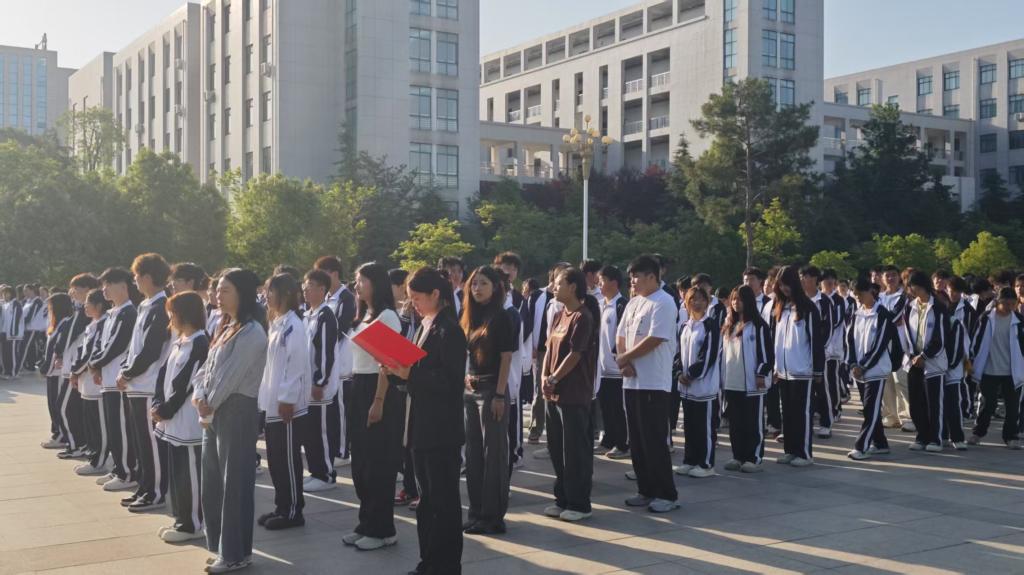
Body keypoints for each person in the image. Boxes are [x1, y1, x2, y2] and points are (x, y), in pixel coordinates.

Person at [382, 268, 467, 575]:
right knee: (427, 501)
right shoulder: (425, 325)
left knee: (443, 502)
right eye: (410, 299)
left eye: (417, 298)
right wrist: (395, 370)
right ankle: (428, 561)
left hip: (441, 429)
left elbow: (450, 381)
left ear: (435, 295)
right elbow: (415, 373)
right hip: (421, 424)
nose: (413, 304)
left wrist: (410, 373)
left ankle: (446, 565)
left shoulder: (450, 330)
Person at [194, 268, 267, 574]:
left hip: (236, 410)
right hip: (215, 409)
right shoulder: (226, 326)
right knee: (212, 481)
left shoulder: (252, 332)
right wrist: (199, 394)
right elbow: (206, 369)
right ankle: (222, 547)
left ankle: (236, 553)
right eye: (217, 290)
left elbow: (230, 376)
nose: (217, 296)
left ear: (242, 294)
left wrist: (207, 403)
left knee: (234, 484)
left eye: (225, 290)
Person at [344, 262, 404, 551]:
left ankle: (383, 530)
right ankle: (366, 522)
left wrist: (378, 400)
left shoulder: (387, 316)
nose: (357, 286)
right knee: (361, 463)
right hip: (359, 385)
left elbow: (389, 364)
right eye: (356, 280)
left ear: (376, 284)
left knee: (378, 463)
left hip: (378, 388)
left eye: (362, 280)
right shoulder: (363, 316)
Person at [616, 255, 679, 513]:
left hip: (653, 382)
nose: (632, 281)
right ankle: (645, 489)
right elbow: (620, 335)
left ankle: (666, 494)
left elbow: (655, 338)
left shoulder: (664, 302)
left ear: (652, 277)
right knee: (637, 440)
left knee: (654, 440)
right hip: (631, 382)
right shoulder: (633, 302)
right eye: (631, 277)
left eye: (637, 276)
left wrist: (626, 357)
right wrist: (624, 361)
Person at [541, 267, 598, 522]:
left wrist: (554, 378)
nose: (554, 287)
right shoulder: (559, 315)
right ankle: (562, 498)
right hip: (553, 393)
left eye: (559, 283)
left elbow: (575, 354)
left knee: (574, 451)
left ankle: (579, 503)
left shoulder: (583, 317)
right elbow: (548, 349)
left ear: (573, 287)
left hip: (573, 394)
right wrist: (544, 377)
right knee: (557, 448)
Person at [152, 291, 210, 542]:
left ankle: (192, 524)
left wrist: (166, 409)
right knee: (177, 473)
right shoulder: (180, 341)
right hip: (172, 419)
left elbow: (186, 382)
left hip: (186, 419)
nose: (170, 319)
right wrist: (158, 403)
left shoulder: (200, 342)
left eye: (173, 313)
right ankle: (181, 518)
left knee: (190, 474)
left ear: (185, 314)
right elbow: (163, 375)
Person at [462, 266, 515, 535]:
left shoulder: (502, 317)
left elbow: (506, 357)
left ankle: (493, 517)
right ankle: (476, 512)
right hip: (471, 391)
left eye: (483, 283)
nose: (477, 288)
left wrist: (499, 395)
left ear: (495, 287)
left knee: (493, 454)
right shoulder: (471, 316)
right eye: (474, 284)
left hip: (492, 390)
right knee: (473, 454)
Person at [117, 254, 173, 512]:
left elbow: (151, 350)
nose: (135, 281)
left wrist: (127, 373)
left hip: (149, 385)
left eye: (137, 276)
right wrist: (125, 369)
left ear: (148, 277)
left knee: (151, 443)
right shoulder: (145, 305)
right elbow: (134, 347)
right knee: (141, 441)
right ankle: (145, 486)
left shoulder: (162, 307)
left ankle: (156, 492)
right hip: (136, 385)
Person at [258, 274, 311, 530]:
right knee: (276, 459)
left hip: (287, 407)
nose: (267, 296)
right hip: (273, 404)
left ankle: (293, 511)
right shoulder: (277, 323)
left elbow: (295, 364)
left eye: (272, 291)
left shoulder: (293, 325)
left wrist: (287, 398)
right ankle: (282, 506)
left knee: (288, 460)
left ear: (286, 294)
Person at [89, 268, 139, 493]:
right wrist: (97, 366)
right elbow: (103, 344)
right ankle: (119, 467)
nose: (104, 289)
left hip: (119, 380)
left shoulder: (128, 313)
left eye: (108, 284)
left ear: (123, 286)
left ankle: (127, 473)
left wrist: (95, 363)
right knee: (113, 427)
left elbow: (117, 345)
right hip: (108, 379)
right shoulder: (113, 312)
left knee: (121, 429)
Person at [771, 265, 825, 467]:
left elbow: (816, 341)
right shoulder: (781, 308)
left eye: (787, 284)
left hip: (803, 371)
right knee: (788, 413)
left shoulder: (808, 308)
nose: (784, 289)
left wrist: (817, 369)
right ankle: (790, 450)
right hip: (783, 372)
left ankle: (804, 453)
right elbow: (776, 341)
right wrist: (775, 366)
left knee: (802, 414)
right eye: (781, 285)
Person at [719, 286, 773, 473]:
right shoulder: (730, 325)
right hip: (732, 382)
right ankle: (738, 456)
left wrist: (761, 373)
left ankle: (754, 458)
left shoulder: (758, 325)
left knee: (753, 422)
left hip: (751, 383)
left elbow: (766, 354)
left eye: (740, 299)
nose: (736, 303)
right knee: (736, 423)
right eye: (733, 299)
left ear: (748, 301)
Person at [898, 271, 951, 452]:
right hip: (914, 361)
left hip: (933, 362)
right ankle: (922, 436)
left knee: (934, 404)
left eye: (913, 286)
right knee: (916, 403)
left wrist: (924, 356)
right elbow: (907, 334)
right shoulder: (909, 307)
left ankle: (936, 438)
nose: (911, 290)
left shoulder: (938, 307)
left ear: (922, 286)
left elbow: (940, 338)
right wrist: (913, 355)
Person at [845, 279, 897, 460]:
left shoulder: (883, 314)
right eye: (855, 295)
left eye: (860, 294)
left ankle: (861, 446)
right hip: (859, 371)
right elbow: (850, 340)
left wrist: (864, 365)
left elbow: (880, 345)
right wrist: (853, 363)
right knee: (869, 408)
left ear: (870, 292)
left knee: (871, 410)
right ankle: (880, 443)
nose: (858, 298)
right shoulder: (857, 313)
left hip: (876, 370)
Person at [674, 287, 722, 479]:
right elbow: (677, 353)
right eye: (692, 299)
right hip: (686, 388)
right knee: (690, 426)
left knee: (704, 428)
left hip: (704, 387)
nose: (696, 302)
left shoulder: (710, 325)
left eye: (701, 299)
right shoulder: (685, 326)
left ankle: (706, 464)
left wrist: (692, 374)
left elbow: (708, 355)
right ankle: (690, 460)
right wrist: (679, 372)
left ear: (707, 302)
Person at [968, 288, 1024, 449]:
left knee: (1012, 406)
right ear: (998, 302)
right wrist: (971, 359)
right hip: (989, 369)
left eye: (1012, 304)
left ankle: (1011, 436)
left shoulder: (1019, 321)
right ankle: (978, 433)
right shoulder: (986, 318)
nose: (1009, 307)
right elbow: (975, 340)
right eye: (1005, 303)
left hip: (1012, 370)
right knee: (987, 403)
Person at [299, 269, 339, 493]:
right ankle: (315, 471)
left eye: (310, 286)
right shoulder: (308, 315)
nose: (305, 290)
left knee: (321, 432)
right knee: (310, 433)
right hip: (308, 386)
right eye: (304, 286)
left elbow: (325, 352)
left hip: (319, 387)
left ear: (322, 289)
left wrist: (319, 381)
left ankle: (326, 475)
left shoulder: (325, 316)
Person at [314, 256, 356, 467]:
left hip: (341, 361)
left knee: (340, 408)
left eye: (323, 274)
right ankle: (333, 447)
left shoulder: (346, 298)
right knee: (330, 409)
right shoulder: (327, 298)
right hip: (328, 360)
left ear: (335, 274)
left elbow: (340, 328)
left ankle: (342, 451)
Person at [71, 288, 112, 476]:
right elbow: (82, 351)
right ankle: (94, 457)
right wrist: (76, 370)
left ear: (99, 305)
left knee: (99, 426)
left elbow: (91, 354)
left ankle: (100, 461)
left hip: (96, 383)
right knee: (91, 424)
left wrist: (75, 371)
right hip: (87, 383)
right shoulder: (93, 324)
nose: (85, 306)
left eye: (88, 303)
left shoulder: (103, 324)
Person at [799, 266, 837, 439]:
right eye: (800, 276)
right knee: (804, 391)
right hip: (801, 353)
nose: (801, 279)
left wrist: (819, 350)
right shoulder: (798, 299)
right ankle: (805, 423)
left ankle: (826, 423)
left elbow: (829, 328)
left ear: (814, 279)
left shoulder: (824, 301)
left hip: (820, 353)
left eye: (805, 276)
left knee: (822, 389)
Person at [596, 265, 629, 459]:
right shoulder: (601, 304)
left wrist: (621, 359)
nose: (599, 284)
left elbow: (623, 335)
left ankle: (623, 444)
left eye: (602, 281)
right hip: (602, 368)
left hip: (617, 369)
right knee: (606, 407)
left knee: (618, 408)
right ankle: (608, 440)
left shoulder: (621, 305)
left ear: (614, 283)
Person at [39, 294, 75, 452]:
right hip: (52, 372)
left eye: (51, 306)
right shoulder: (58, 323)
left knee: (57, 404)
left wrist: (45, 367)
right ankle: (57, 433)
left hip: (59, 371)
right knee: (52, 404)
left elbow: (57, 348)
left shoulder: (66, 323)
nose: (49, 310)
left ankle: (61, 435)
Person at [880, 265, 912, 430]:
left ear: (899, 277)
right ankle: (891, 416)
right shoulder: (879, 297)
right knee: (886, 383)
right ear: (882, 278)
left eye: (893, 275)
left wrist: (885, 320)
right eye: (887, 275)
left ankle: (908, 417)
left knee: (902, 382)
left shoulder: (904, 296)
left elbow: (894, 316)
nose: (890, 278)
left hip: (901, 345)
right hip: (882, 345)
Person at [19, 284, 46, 372]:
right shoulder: (27, 301)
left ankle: (20, 366)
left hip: (32, 328)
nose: (24, 293)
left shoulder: (37, 301)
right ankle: (30, 365)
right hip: (26, 328)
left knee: (25, 346)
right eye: (24, 291)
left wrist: (21, 323)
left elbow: (31, 315)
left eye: (26, 291)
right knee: (30, 347)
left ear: (32, 290)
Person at [1, 284, 24, 378]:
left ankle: (14, 373)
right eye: (3, 293)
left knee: (13, 354)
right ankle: (7, 371)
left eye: (6, 293)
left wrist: (13, 333)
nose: (4, 295)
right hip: (4, 333)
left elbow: (16, 319)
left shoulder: (16, 304)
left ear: (11, 293)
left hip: (13, 334)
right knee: (5, 353)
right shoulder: (5, 304)